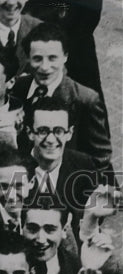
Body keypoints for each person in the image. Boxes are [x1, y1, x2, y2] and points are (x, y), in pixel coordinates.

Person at [10, 22, 112, 174]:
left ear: (65, 57)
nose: (45, 67)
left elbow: (100, 159)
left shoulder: (85, 100)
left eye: (52, 58)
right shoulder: (19, 87)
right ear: (28, 58)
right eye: (37, 58)